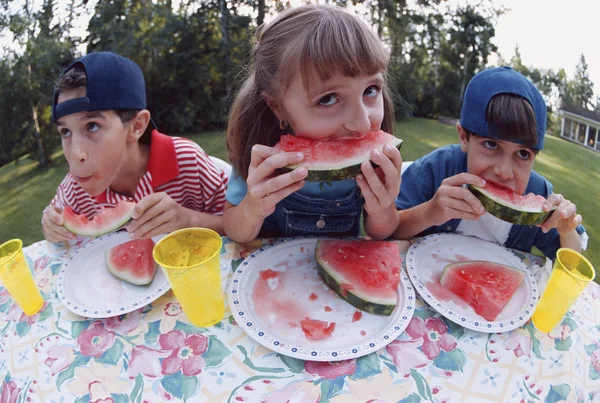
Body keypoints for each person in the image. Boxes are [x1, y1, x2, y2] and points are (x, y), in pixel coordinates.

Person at [223, 5, 402, 243]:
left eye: (370, 90)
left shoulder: (376, 160)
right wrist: (250, 210)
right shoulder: (257, 158)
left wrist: (382, 208)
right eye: (327, 99)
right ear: (276, 106)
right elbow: (233, 229)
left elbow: (381, 232)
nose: (361, 123)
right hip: (274, 273)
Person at [393, 66, 586, 259]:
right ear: (464, 138)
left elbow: (571, 261)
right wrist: (428, 213)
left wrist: (566, 231)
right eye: (491, 144)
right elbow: (387, 230)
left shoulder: (539, 193)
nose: (504, 171)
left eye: (523, 154)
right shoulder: (436, 169)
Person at [42, 52, 228, 243]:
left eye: (92, 126)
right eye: (65, 131)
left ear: (136, 126)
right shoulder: (76, 186)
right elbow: (51, 218)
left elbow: (240, 223)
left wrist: (189, 219)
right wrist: (50, 225)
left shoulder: (188, 160)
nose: (75, 155)